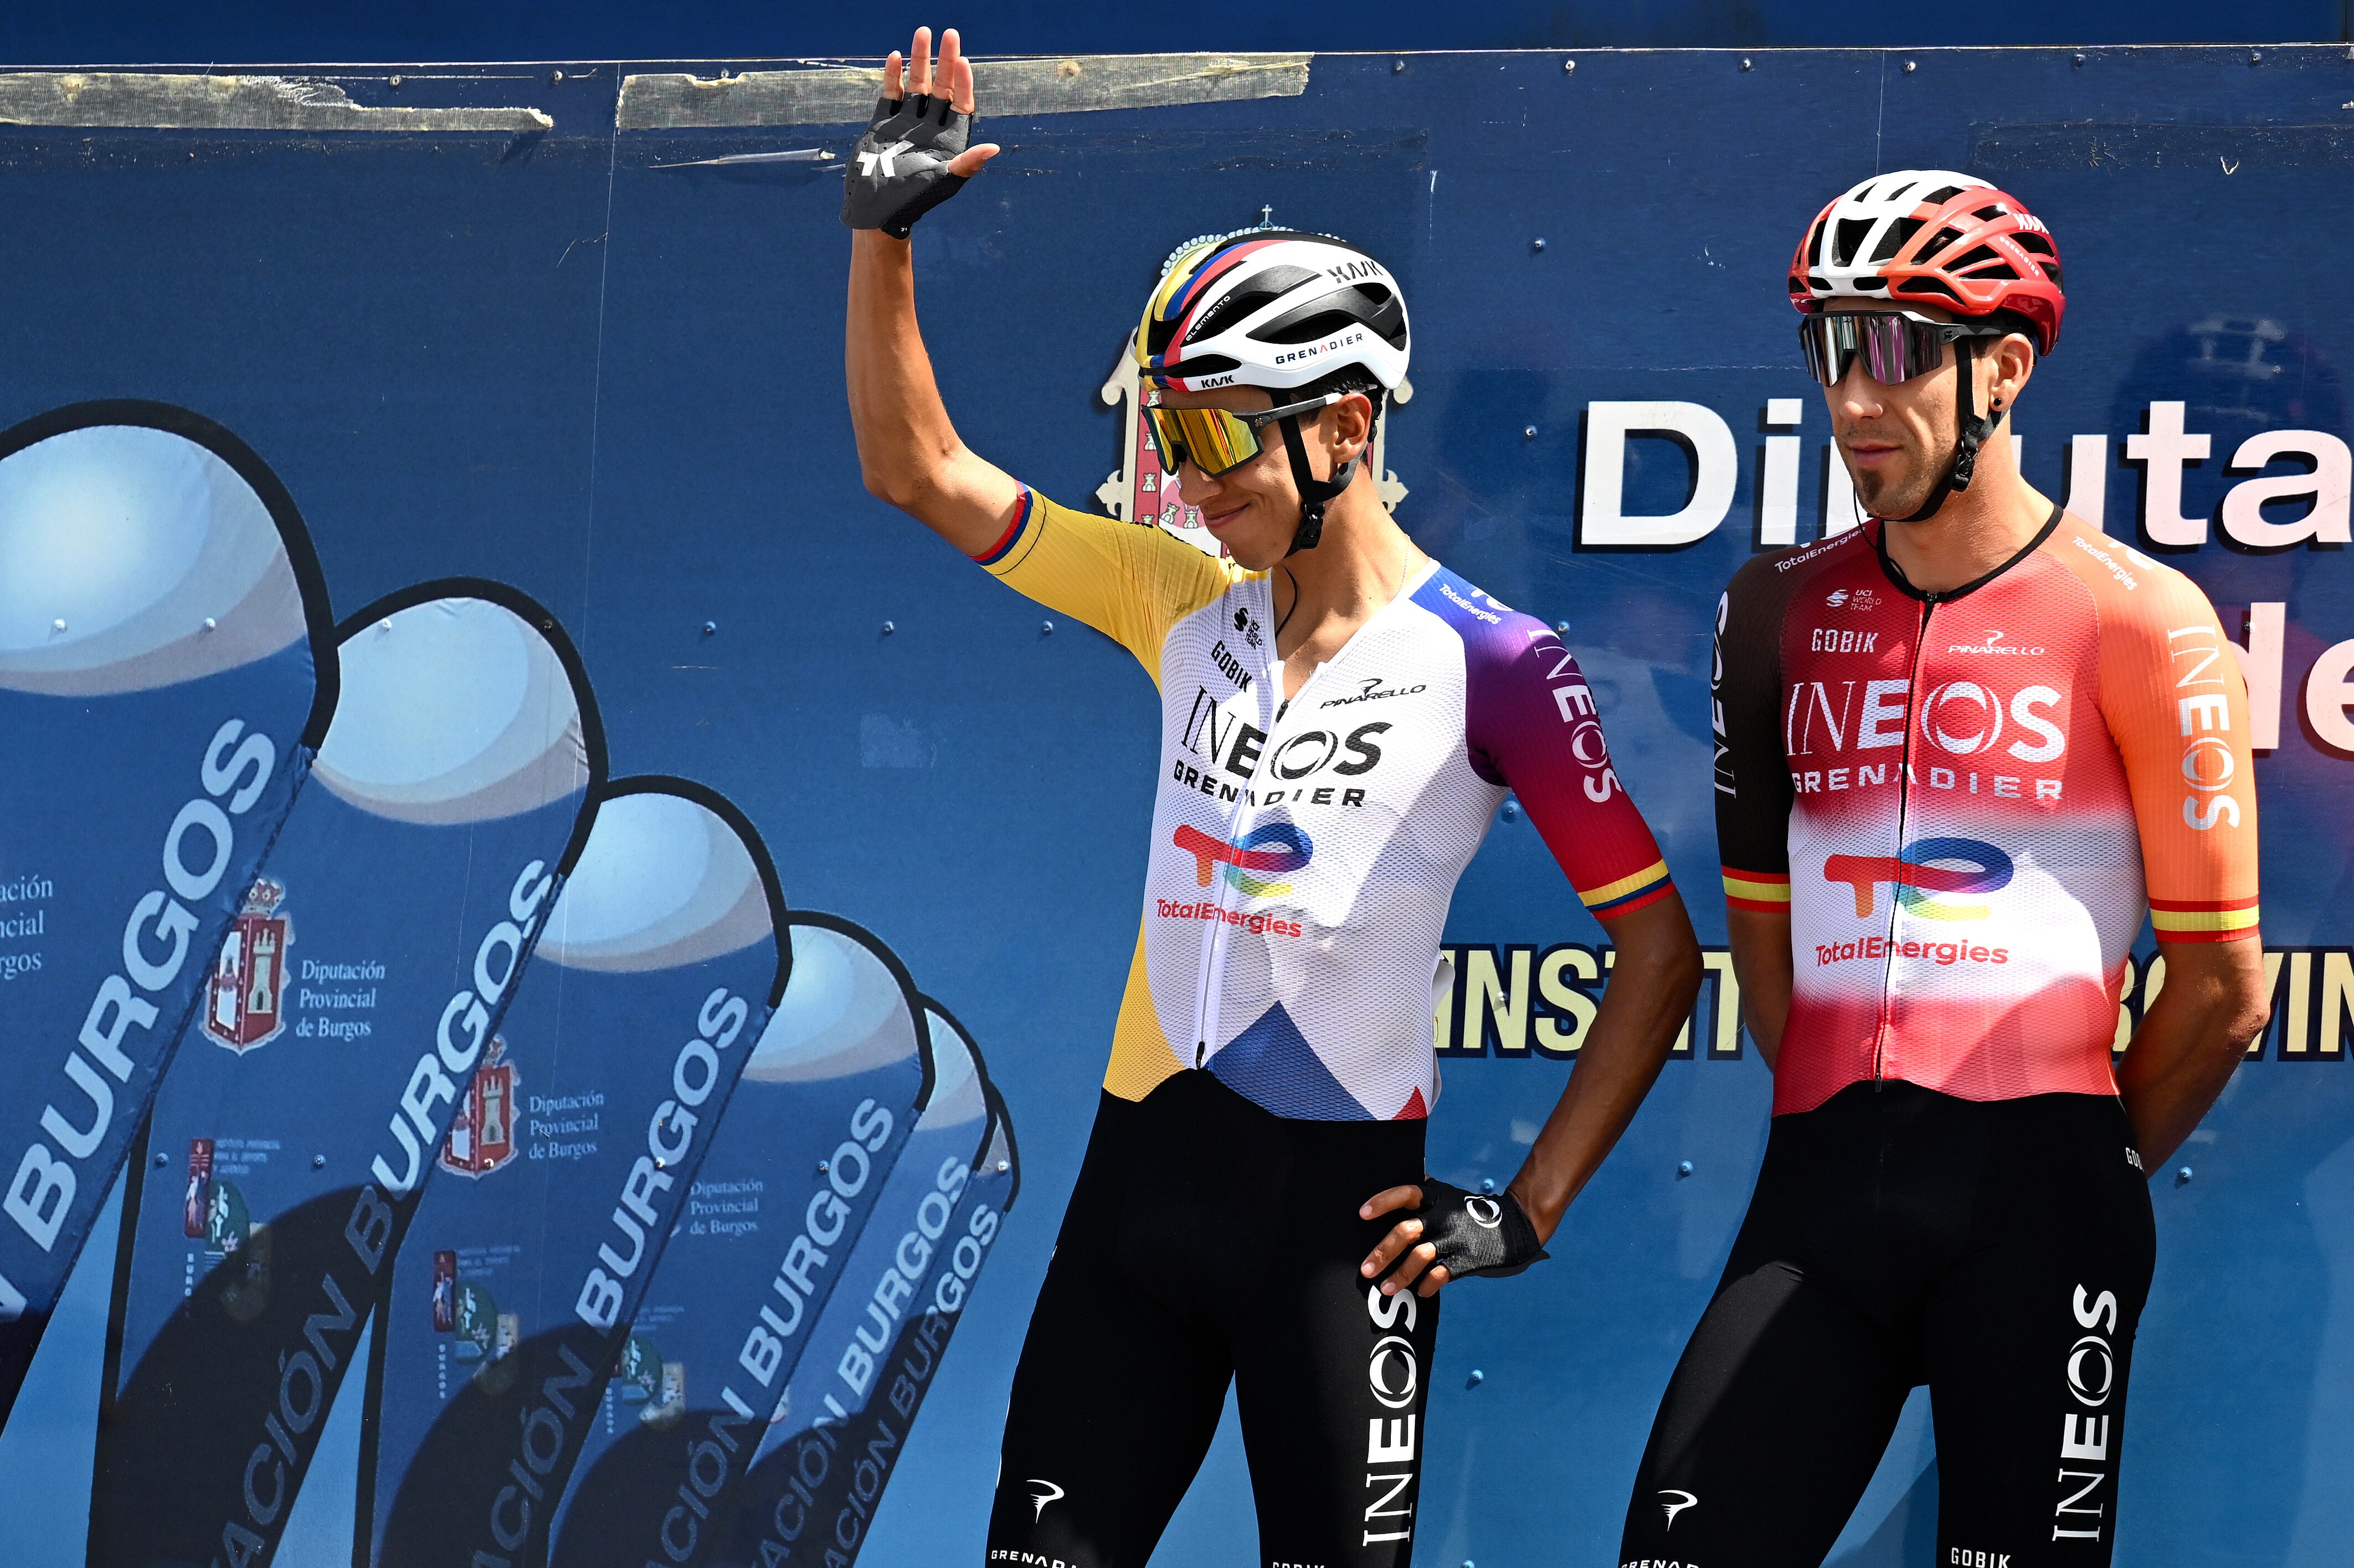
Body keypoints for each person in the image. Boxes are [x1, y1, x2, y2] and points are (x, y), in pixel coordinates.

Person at [839, 27, 1703, 1567]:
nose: (1185, 475)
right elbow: (918, 474)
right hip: (1133, 1212)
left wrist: (1532, 1207)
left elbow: (1658, 958)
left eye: (1218, 432)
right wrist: (880, 240)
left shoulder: (1498, 663)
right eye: (1169, 435)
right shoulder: (1177, 598)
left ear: (1347, 427)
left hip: (1339, 1240)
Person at [1617, 169, 2271, 1568]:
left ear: (2006, 368)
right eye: (1831, 349)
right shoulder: (1772, 609)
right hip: (1818, 1191)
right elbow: (1765, 934)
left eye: (1900, 350)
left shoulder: (2143, 620)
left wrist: (2065, 1173)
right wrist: (1848, 1130)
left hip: (2039, 1212)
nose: (1856, 398)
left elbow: (2222, 991)